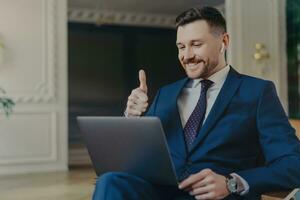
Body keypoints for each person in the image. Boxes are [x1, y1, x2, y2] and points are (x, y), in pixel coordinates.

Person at [92, 6, 300, 200]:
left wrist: (232, 183)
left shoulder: (257, 92)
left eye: (196, 44)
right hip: (161, 192)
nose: (186, 56)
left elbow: (293, 164)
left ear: (224, 42)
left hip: (216, 196)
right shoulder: (166, 94)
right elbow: (135, 159)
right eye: (181, 47)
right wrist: (131, 118)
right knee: (110, 181)